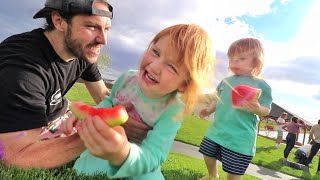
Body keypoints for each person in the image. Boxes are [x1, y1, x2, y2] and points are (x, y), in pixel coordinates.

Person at [0, 0, 150, 168]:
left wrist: (140, 114)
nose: (103, 40)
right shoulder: (23, 69)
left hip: (56, 116)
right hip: (21, 128)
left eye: (106, 29)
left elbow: (103, 95)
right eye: (92, 27)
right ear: (59, 21)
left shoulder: (81, 52)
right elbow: (13, 156)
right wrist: (97, 133)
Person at [60, 24, 214, 179]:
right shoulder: (127, 79)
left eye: (172, 67)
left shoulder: (172, 109)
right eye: (155, 52)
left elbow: (154, 155)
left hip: (140, 161)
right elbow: (108, 104)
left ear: (184, 84)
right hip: (103, 150)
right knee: (88, 169)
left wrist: (122, 154)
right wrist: (86, 115)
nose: (154, 67)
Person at [198, 38, 272, 180]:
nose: (234, 62)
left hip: (240, 138)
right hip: (217, 130)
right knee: (207, 152)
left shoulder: (261, 85)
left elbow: (266, 109)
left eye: (241, 58)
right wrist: (208, 109)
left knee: (234, 172)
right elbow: (217, 99)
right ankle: (212, 175)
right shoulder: (226, 81)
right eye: (231, 59)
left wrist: (257, 108)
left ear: (256, 62)